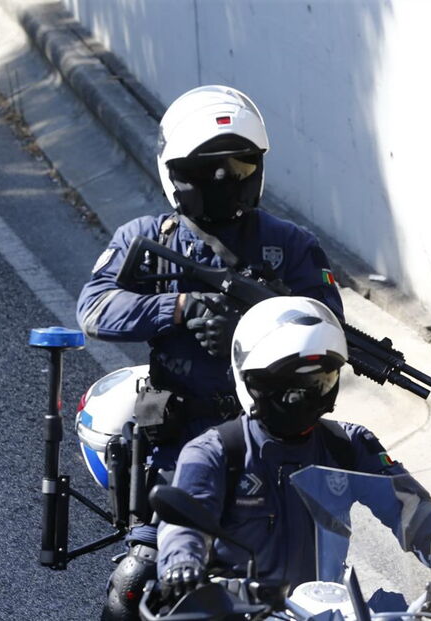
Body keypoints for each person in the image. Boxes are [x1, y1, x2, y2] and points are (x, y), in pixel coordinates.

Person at [78, 85, 344, 620]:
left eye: (239, 166)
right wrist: (179, 308)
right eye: (206, 169)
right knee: (135, 584)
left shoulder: (289, 244)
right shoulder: (149, 237)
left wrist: (255, 330)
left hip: (275, 440)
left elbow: (329, 323)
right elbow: (95, 307)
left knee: (311, 592)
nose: (224, 180)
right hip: (180, 444)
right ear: (173, 171)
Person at [157, 297, 431, 604]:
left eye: (319, 383)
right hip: (239, 611)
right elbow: (182, 528)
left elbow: (414, 515)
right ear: (252, 381)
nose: (303, 398)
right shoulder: (216, 452)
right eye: (289, 387)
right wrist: (182, 565)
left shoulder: (348, 446)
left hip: (327, 610)